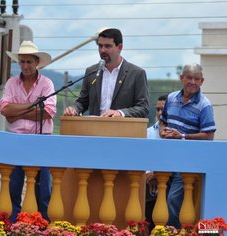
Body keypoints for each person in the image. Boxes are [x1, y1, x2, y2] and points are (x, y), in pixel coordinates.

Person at [0, 41, 56, 222]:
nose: (25, 66)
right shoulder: (11, 83)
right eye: (22, 62)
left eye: (29, 62)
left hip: (41, 140)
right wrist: (32, 108)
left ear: (36, 62)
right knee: (13, 185)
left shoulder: (47, 83)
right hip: (16, 140)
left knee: (43, 187)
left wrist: (18, 111)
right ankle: (14, 224)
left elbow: (48, 111)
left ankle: (42, 224)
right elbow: (5, 110)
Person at [159, 63, 216, 228]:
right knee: (159, 197)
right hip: (166, 157)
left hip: (188, 161)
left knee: (172, 199)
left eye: (196, 79)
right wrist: (163, 132)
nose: (192, 82)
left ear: (202, 81)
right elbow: (162, 122)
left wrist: (182, 136)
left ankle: (174, 231)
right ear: (181, 78)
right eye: (189, 78)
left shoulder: (204, 105)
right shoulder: (171, 98)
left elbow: (209, 136)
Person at [64, 28, 149, 118]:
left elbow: (143, 108)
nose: (103, 50)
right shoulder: (91, 72)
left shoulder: (136, 73)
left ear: (119, 47)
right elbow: (82, 102)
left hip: (122, 128)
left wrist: (120, 113)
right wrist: (74, 109)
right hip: (94, 128)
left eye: (107, 46)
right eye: (100, 46)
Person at [145, 94, 167, 231]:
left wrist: (157, 174)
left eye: (163, 109)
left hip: (168, 183)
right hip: (149, 187)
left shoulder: (177, 132)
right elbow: (142, 156)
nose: (159, 113)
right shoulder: (148, 132)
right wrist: (149, 173)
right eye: (157, 109)